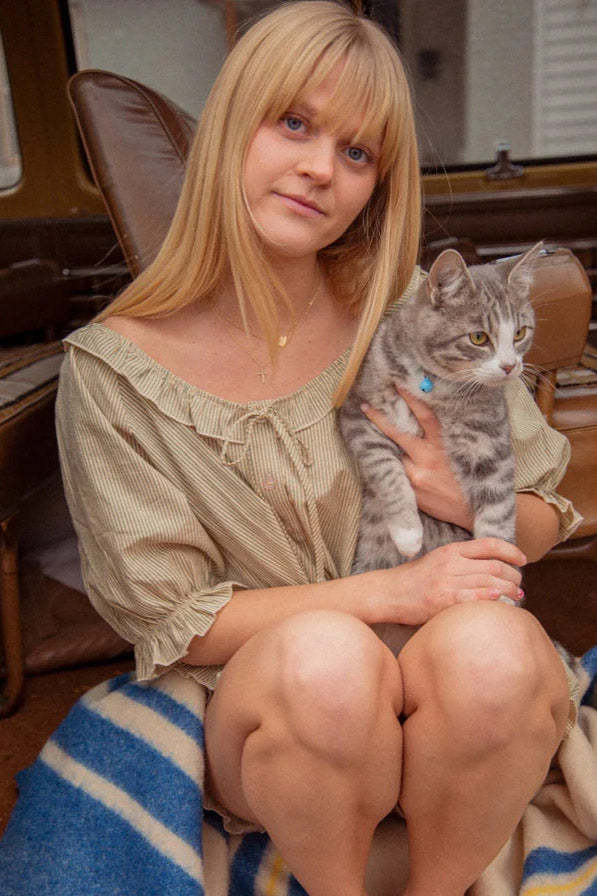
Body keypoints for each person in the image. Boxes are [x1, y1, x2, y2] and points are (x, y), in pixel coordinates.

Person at [55, 3, 581, 894]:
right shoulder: (112, 375)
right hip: (271, 709)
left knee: (498, 652)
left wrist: (463, 499)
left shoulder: (414, 311)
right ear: (232, 126)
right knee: (326, 660)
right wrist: (391, 592)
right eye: (293, 123)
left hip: (446, 695)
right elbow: (179, 625)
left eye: (357, 152)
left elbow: (541, 518)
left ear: (377, 184)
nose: (319, 169)